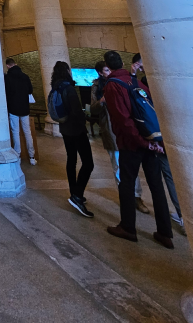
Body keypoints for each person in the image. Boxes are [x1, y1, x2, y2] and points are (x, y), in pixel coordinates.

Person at [103, 51, 173, 248]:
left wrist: (143, 143)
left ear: (108, 66)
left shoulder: (113, 85)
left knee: (126, 184)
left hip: (131, 144)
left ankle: (128, 228)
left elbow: (123, 120)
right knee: (156, 186)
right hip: (150, 140)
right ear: (123, 63)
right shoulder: (137, 83)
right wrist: (154, 142)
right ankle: (165, 233)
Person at [130, 53, 184, 229]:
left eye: (142, 64)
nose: (142, 67)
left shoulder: (152, 83)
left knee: (170, 175)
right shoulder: (152, 81)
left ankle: (183, 216)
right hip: (165, 134)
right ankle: (181, 214)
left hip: (164, 135)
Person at [90, 60, 150, 214]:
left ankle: (136, 197)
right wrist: (101, 101)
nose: (109, 72)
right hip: (111, 131)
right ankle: (127, 197)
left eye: (109, 69)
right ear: (100, 72)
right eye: (105, 70)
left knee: (133, 166)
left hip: (129, 130)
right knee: (117, 167)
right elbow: (93, 108)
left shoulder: (120, 82)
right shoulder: (97, 87)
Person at [51, 60, 94, 218]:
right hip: (76, 130)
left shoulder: (55, 86)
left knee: (72, 159)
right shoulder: (68, 88)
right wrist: (84, 121)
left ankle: (74, 192)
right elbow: (77, 111)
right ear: (67, 71)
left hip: (65, 129)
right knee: (88, 163)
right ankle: (77, 195)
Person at [4, 58, 37, 165]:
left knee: (15, 132)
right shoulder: (25, 76)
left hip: (13, 108)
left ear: (8, 66)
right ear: (15, 64)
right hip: (24, 108)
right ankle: (32, 156)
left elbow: (6, 92)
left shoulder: (8, 77)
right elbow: (30, 90)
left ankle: (17, 155)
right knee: (27, 132)